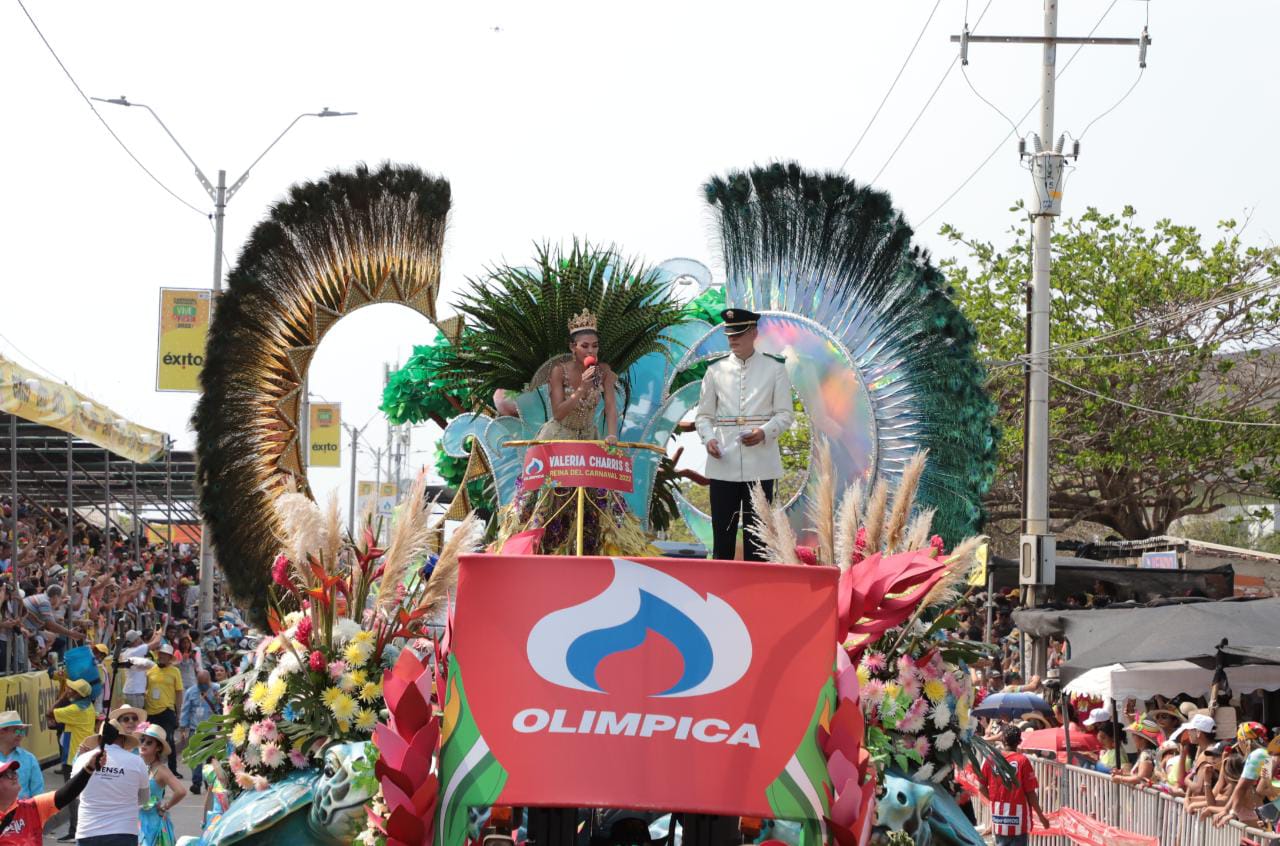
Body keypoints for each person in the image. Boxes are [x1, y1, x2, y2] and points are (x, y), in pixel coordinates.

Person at [694, 308, 795, 562]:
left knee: (758, 539)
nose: (732, 339)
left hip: (761, 464)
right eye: (729, 334)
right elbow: (703, 416)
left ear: (754, 333)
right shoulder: (715, 370)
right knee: (722, 538)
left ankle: (757, 595)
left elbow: (785, 414)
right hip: (723, 463)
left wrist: (763, 432)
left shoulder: (775, 368)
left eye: (738, 333)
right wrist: (709, 439)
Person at [537, 309, 619, 443]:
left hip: (588, 439)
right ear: (572, 347)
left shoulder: (603, 371)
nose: (591, 351)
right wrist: (582, 389)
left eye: (595, 346)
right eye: (585, 346)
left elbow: (610, 406)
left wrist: (612, 435)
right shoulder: (559, 371)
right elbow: (558, 414)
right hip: (558, 440)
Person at [0, 746, 105, 845]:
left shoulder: (32, 808)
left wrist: (89, 768)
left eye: (14, 773)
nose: (14, 777)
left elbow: (66, 794)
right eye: (8, 774)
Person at [69, 727, 149, 846]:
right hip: (124, 831)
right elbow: (144, 798)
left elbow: (73, 793)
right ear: (123, 739)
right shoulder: (136, 761)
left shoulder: (82, 759)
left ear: (99, 738)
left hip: (88, 831)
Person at [979, 725, 1051, 845]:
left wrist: (995, 802)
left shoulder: (990, 759)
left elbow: (981, 787)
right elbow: (1031, 793)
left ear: (1002, 740)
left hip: (999, 819)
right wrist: (1041, 816)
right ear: (1019, 742)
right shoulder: (1023, 761)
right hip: (1019, 821)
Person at [135, 724, 187, 846]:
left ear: (158, 748)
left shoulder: (161, 770)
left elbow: (181, 791)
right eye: (142, 740)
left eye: (149, 743)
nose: (143, 745)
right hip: (136, 821)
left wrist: (165, 807)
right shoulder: (138, 764)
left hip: (153, 823)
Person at [144, 645, 183, 776]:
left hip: (167, 711)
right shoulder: (150, 670)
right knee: (150, 740)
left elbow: (179, 693)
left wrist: (178, 712)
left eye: (164, 655)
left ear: (169, 658)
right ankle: (150, 768)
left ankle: (173, 770)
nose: (161, 657)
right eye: (160, 654)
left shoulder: (174, 671)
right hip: (150, 711)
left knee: (169, 740)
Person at [178, 671, 218, 794]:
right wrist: (183, 727)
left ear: (209, 681)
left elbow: (220, 708)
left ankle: (209, 782)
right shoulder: (191, 692)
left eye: (205, 683)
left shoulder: (216, 689)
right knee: (196, 757)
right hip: (196, 729)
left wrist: (218, 700)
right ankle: (196, 783)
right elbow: (185, 710)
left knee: (209, 758)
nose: (203, 686)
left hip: (211, 729)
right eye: (201, 684)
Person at [0, 714, 42, 801]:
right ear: (1, 732)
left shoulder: (29, 759)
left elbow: (38, 793)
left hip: (22, 812)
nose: (21, 735)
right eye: (16, 731)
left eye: (22, 731)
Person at [1113, 717, 1162, 785]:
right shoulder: (1148, 752)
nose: (1132, 738)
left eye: (1134, 735)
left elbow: (1141, 778)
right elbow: (1139, 775)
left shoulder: (1146, 754)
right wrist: (1123, 774)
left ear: (1143, 739)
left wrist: (1120, 778)